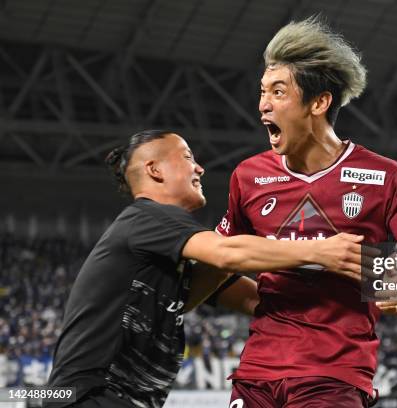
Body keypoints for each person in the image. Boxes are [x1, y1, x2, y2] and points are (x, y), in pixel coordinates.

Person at [45, 130, 370, 408]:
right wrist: (320, 249)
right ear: (154, 169)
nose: (200, 167)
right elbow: (227, 253)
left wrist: (357, 299)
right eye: (187, 157)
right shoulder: (147, 217)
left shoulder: (170, 256)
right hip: (90, 397)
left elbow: (259, 300)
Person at [215, 17, 397, 407]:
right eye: (262, 91)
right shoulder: (248, 176)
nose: (263, 104)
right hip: (256, 373)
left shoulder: (387, 177)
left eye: (278, 92)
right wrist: (261, 300)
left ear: (319, 102)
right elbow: (218, 266)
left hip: (334, 376)